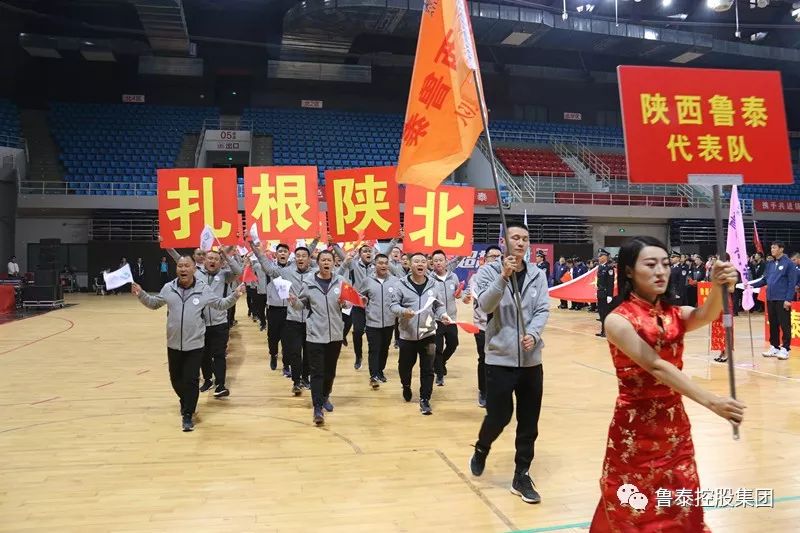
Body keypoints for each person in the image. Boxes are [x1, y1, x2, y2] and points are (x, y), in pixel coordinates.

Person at [589, 236, 744, 530]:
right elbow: (655, 365)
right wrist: (713, 402)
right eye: (650, 264)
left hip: (675, 429)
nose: (661, 271)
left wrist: (717, 285)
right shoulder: (618, 320)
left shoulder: (674, 313)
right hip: (634, 431)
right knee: (635, 508)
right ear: (629, 271)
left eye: (665, 263)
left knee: (681, 500)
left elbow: (706, 314)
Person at [469, 222, 550, 504]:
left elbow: (542, 309)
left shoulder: (538, 274)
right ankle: (482, 447)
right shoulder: (487, 272)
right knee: (499, 416)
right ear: (504, 241)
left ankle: (521, 474)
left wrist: (533, 334)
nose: (520, 242)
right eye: (515, 237)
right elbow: (485, 305)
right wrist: (503, 277)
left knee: (529, 421)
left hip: (531, 360)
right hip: (499, 358)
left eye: (525, 239)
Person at [131, 255, 243, 431]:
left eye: (187, 266)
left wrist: (235, 295)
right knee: (176, 380)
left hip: (195, 345)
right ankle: (185, 401)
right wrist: (141, 294)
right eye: (180, 266)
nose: (183, 269)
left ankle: (188, 414)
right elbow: (154, 303)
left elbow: (220, 304)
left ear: (194, 269)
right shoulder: (169, 288)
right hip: (173, 344)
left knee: (191, 380)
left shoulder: (203, 289)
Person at [288, 250, 346, 426]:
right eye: (323, 260)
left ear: (334, 263)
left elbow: (348, 303)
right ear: (318, 263)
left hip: (335, 334)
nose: (326, 263)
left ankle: (326, 396)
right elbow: (301, 305)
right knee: (317, 372)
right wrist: (294, 301)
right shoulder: (309, 283)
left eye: (329, 260)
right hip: (315, 334)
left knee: (330, 371)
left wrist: (346, 303)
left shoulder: (341, 281)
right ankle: (317, 407)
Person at [391, 252, 451, 415]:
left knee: (428, 369)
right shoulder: (400, 284)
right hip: (407, 335)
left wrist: (443, 315)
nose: (420, 264)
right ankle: (406, 385)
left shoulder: (434, 284)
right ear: (410, 265)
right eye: (416, 261)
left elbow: (438, 305)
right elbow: (393, 305)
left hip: (428, 334)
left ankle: (425, 399)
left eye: (423, 261)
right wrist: (403, 311)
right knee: (405, 367)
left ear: (427, 265)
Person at [197, 248, 242, 397]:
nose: (212, 261)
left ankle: (221, 384)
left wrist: (226, 255)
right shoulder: (196, 275)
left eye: (216, 259)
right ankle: (207, 380)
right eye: (210, 258)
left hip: (220, 322)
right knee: (203, 354)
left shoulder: (225, 276)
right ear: (204, 260)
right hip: (200, 323)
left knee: (219, 354)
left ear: (221, 262)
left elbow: (238, 271)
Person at [466, 245, 503, 408]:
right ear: (485, 259)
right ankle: (484, 390)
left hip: (502, 326)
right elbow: (475, 295)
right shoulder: (476, 277)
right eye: (492, 256)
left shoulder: (507, 276)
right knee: (484, 358)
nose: (495, 259)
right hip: (482, 325)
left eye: (498, 256)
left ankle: (498, 389)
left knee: (500, 359)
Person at [750, 241, 798, 360]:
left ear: (781, 249)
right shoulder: (770, 264)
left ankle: (785, 348)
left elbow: (792, 283)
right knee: (773, 324)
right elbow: (764, 280)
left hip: (782, 299)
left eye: (774, 247)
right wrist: (750, 285)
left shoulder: (789, 264)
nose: (772, 249)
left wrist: (788, 299)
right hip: (771, 298)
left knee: (784, 324)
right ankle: (774, 346)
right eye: (771, 247)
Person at [360, 254, 401, 388]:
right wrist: (362, 301)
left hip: (389, 322)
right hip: (372, 322)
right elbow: (360, 296)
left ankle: (380, 371)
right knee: (374, 349)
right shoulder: (367, 281)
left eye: (385, 263)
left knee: (384, 348)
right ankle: (373, 375)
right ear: (375, 265)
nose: (383, 265)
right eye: (380, 263)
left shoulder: (395, 281)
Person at [431, 249, 462, 386]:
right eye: (435, 260)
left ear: (446, 262)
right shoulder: (430, 279)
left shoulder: (453, 277)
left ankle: (442, 361)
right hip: (436, 319)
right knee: (437, 348)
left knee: (453, 344)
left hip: (451, 318)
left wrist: (460, 295)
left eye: (440, 260)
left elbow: (458, 294)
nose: (438, 263)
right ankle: (439, 374)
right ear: (432, 263)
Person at [595, 249, 614, 338]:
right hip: (600, 293)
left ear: (605, 257)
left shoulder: (609, 268)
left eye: (600, 256)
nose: (599, 258)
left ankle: (606, 331)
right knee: (601, 312)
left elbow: (610, 283)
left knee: (606, 313)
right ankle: (603, 331)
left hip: (606, 293)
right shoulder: (600, 267)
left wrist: (610, 295)